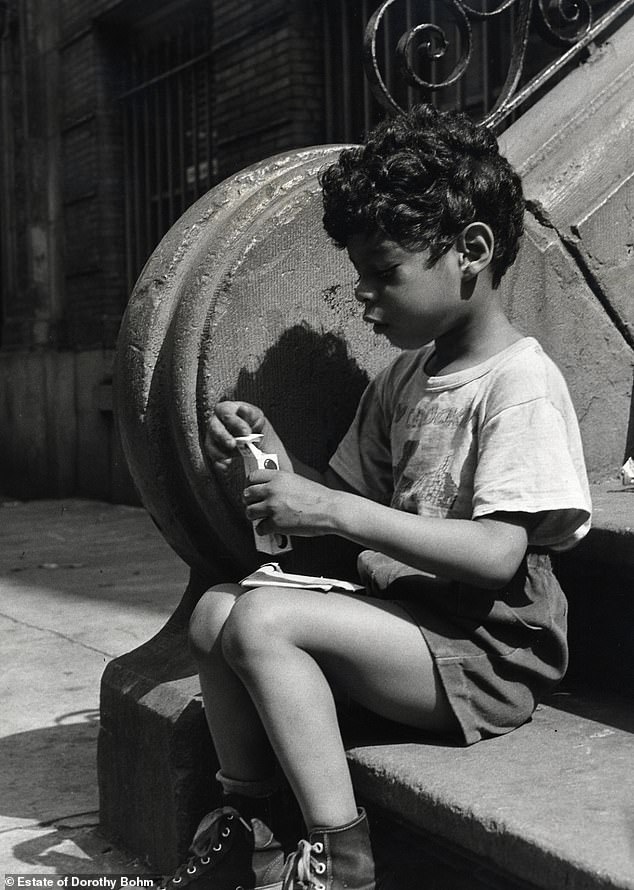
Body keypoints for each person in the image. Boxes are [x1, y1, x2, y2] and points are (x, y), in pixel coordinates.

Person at [158, 104, 591, 890]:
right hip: (410, 627)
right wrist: (275, 464)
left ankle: (338, 856)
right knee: (217, 611)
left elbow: (498, 556)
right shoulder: (403, 377)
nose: (362, 294)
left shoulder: (520, 384)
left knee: (262, 619)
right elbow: (340, 497)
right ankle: (250, 824)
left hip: (484, 655)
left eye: (384, 271)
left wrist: (334, 513)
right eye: (358, 274)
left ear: (473, 251)